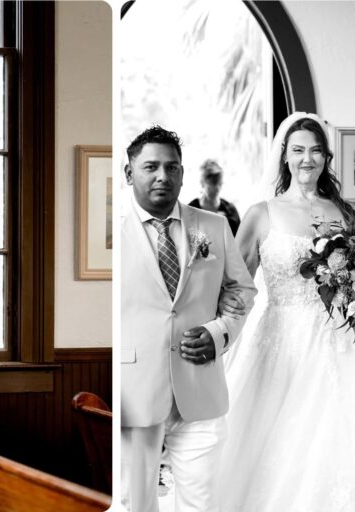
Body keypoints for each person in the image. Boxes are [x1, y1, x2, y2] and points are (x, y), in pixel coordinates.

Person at [216, 113, 355, 511]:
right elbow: (238, 287)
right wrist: (221, 334)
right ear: (284, 156)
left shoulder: (347, 213)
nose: (307, 158)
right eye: (298, 150)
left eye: (315, 150)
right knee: (278, 439)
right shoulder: (261, 213)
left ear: (326, 157)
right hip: (282, 341)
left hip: (344, 341)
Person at [120, 126, 257, 512]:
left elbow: (241, 290)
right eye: (150, 167)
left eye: (172, 167)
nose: (162, 175)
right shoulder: (111, 229)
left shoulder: (212, 226)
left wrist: (219, 332)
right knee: (135, 504)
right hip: (133, 392)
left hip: (200, 390)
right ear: (129, 173)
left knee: (201, 504)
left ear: (183, 173)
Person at [187, 159, 241, 235]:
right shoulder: (190, 211)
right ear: (202, 183)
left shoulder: (230, 212)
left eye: (220, 184)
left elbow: (239, 242)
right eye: (213, 184)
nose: (217, 188)